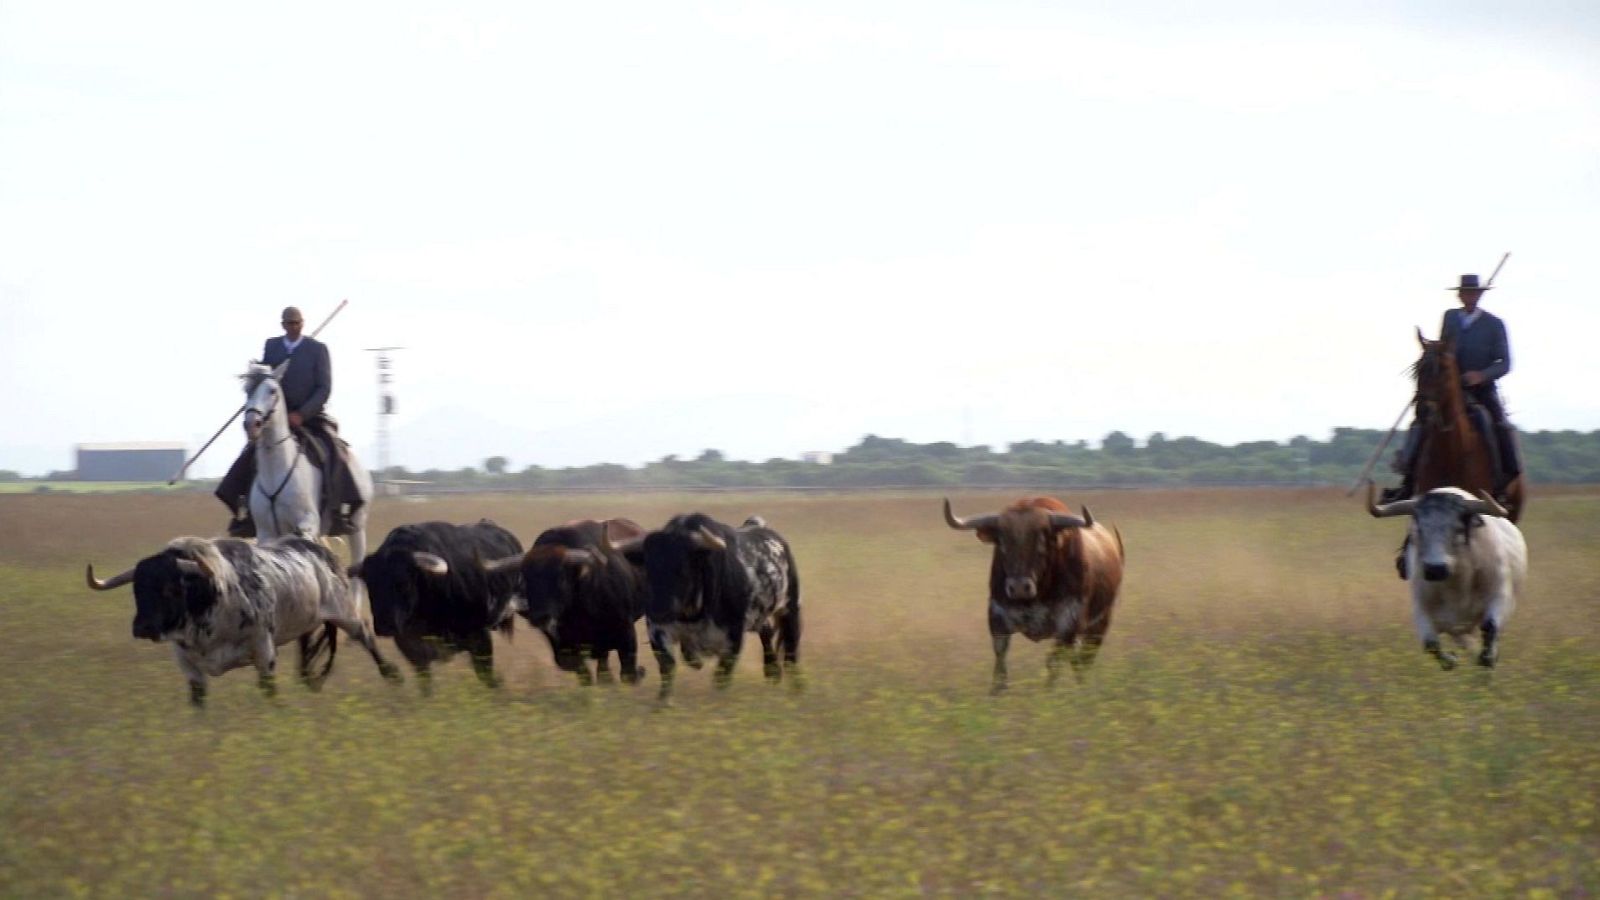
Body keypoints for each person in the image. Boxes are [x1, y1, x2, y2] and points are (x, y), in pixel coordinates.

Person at [215, 307, 359, 536]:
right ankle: (243, 513)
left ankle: (340, 511)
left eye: (296, 323)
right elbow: (264, 379)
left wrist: (302, 413)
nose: (293, 327)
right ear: (282, 324)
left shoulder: (317, 349)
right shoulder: (272, 346)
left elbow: (324, 388)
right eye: (289, 323)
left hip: (308, 417)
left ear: (303, 323)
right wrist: (256, 395)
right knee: (250, 454)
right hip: (274, 415)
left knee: (332, 451)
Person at [1385, 272, 1520, 502]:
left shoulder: (1494, 324)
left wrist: (1482, 375)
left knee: (1497, 424)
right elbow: (1444, 349)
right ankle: (1407, 482)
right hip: (1448, 385)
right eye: (1465, 292)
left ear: (1479, 295)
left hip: (1482, 389)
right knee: (1422, 421)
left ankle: (1502, 482)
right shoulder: (1449, 317)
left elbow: (1505, 363)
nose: (1469, 296)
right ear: (1459, 295)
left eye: (1473, 292)